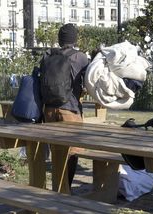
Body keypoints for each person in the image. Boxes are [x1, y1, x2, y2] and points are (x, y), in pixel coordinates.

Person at [40, 23, 90, 187]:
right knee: (72, 152)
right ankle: (65, 191)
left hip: (49, 109)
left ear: (60, 39)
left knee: (56, 150)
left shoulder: (47, 55)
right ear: (75, 39)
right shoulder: (81, 57)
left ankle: (58, 188)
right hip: (70, 109)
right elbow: (90, 81)